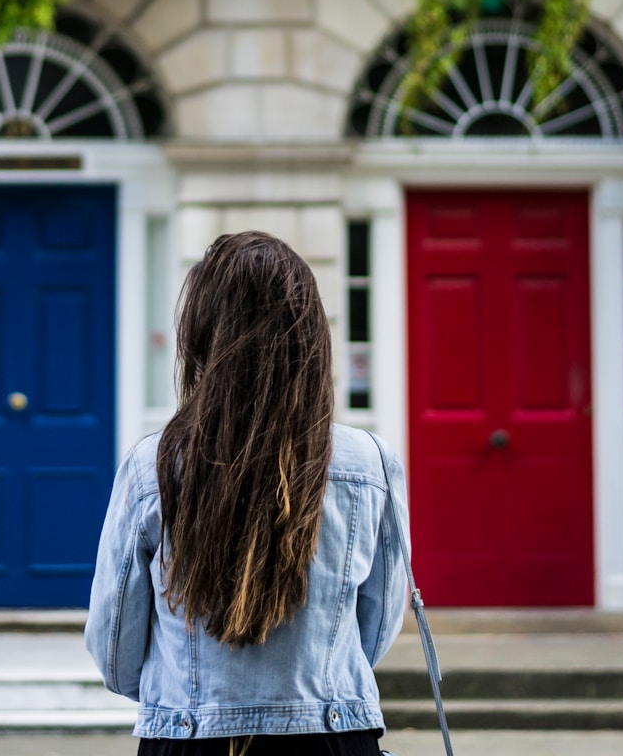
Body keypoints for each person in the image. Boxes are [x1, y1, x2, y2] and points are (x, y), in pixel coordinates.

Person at [85, 231, 410, 756]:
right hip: (332, 736)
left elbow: (114, 648)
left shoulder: (153, 465)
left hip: (193, 739)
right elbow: (371, 633)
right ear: (311, 337)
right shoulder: (369, 463)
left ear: (202, 338)